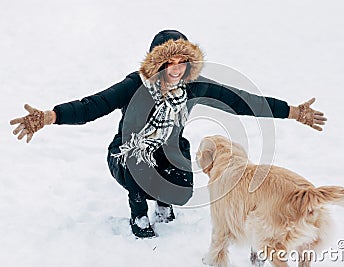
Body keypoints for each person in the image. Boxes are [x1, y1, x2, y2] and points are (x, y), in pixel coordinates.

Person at [10, 30, 327, 239]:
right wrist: (51, 116)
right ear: (155, 63)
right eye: (167, 62)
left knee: (181, 186)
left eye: (182, 61)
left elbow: (241, 101)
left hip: (169, 150)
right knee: (137, 157)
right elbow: (93, 104)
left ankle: (164, 200)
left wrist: (293, 111)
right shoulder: (134, 86)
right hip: (126, 154)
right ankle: (139, 213)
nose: (175, 69)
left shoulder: (193, 87)